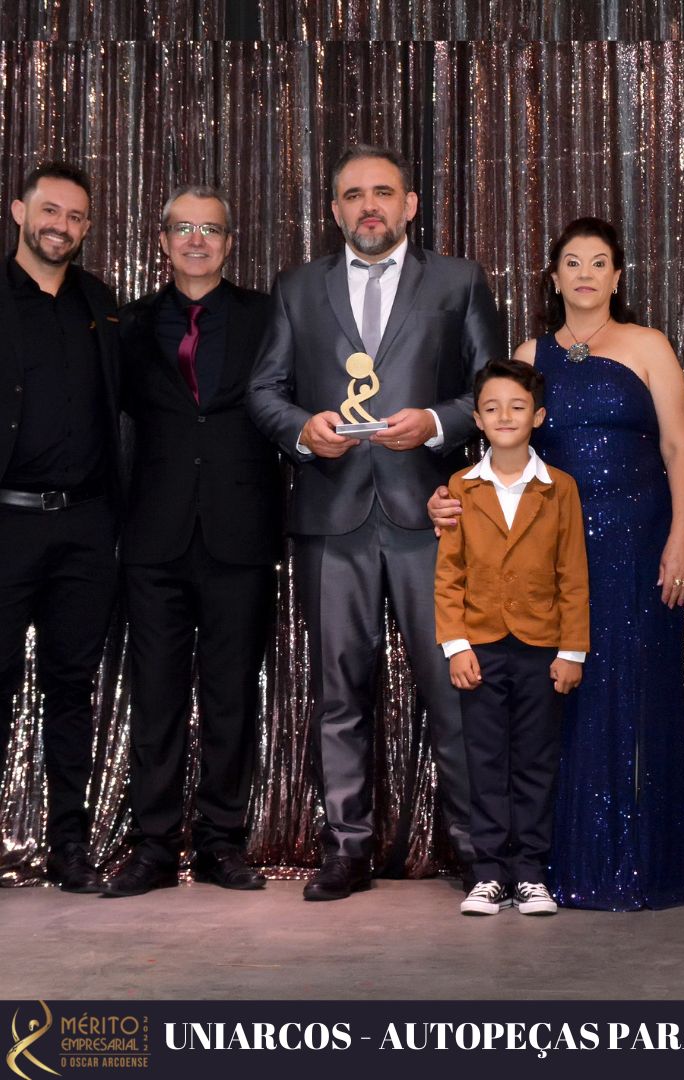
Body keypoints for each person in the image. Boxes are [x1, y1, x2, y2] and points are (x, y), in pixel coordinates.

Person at [431, 217, 684, 910]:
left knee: (630, 689)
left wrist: (682, 535)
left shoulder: (648, 345)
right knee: (550, 704)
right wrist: (450, 499)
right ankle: (543, 865)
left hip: (637, 546)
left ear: (617, 277)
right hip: (544, 554)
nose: (585, 274)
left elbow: (679, 446)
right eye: (572, 262)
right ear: (553, 278)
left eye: (599, 262)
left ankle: (636, 860)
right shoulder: (530, 353)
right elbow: (503, 444)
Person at [247, 144, 501, 901]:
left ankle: (480, 851)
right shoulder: (298, 287)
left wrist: (436, 422)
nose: (369, 206)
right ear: (334, 209)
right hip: (332, 516)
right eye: (354, 194)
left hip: (433, 515)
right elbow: (264, 390)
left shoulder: (458, 280)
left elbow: (492, 388)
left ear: (410, 204)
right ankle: (346, 849)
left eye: (383, 192)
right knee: (338, 692)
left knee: (453, 688)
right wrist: (302, 431)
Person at [103, 185, 282, 897]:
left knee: (232, 697)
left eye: (211, 229)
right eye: (183, 228)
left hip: (241, 533)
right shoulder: (129, 323)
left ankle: (220, 843)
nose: (197, 240)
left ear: (230, 243)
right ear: (163, 241)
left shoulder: (266, 316)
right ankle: (152, 847)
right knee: (157, 699)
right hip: (154, 536)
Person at [0, 161, 121, 892]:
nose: (62, 226)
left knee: (71, 687)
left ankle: (69, 846)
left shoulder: (99, 303)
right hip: (6, 523)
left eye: (76, 217)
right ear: (20, 212)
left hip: (85, 528)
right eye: (50, 211)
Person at [435, 359, 590, 916]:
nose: (505, 416)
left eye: (517, 407)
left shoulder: (559, 488)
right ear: (477, 419)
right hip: (479, 650)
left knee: (534, 762)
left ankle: (529, 873)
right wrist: (456, 645)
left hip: (541, 651)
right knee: (484, 763)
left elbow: (573, 574)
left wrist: (571, 651)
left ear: (538, 416)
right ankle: (488, 875)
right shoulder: (460, 487)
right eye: (493, 408)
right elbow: (448, 573)